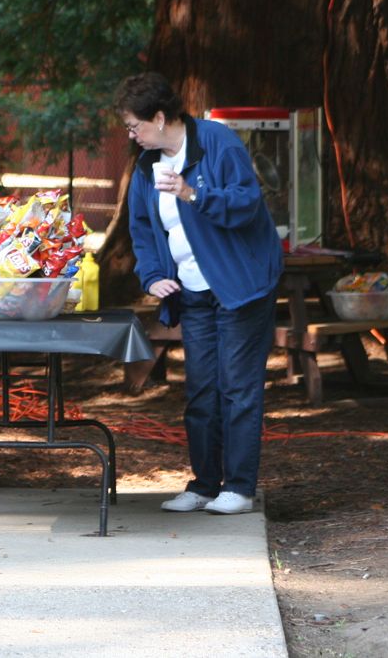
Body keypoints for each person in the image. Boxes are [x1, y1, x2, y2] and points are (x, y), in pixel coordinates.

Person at [117, 72, 283, 516]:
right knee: (201, 390)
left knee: (238, 388)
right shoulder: (145, 166)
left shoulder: (216, 143)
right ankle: (205, 484)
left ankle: (241, 487)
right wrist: (152, 275)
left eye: (135, 126)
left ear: (159, 116)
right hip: (192, 290)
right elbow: (141, 229)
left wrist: (193, 193)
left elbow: (246, 204)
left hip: (240, 286)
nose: (131, 134)